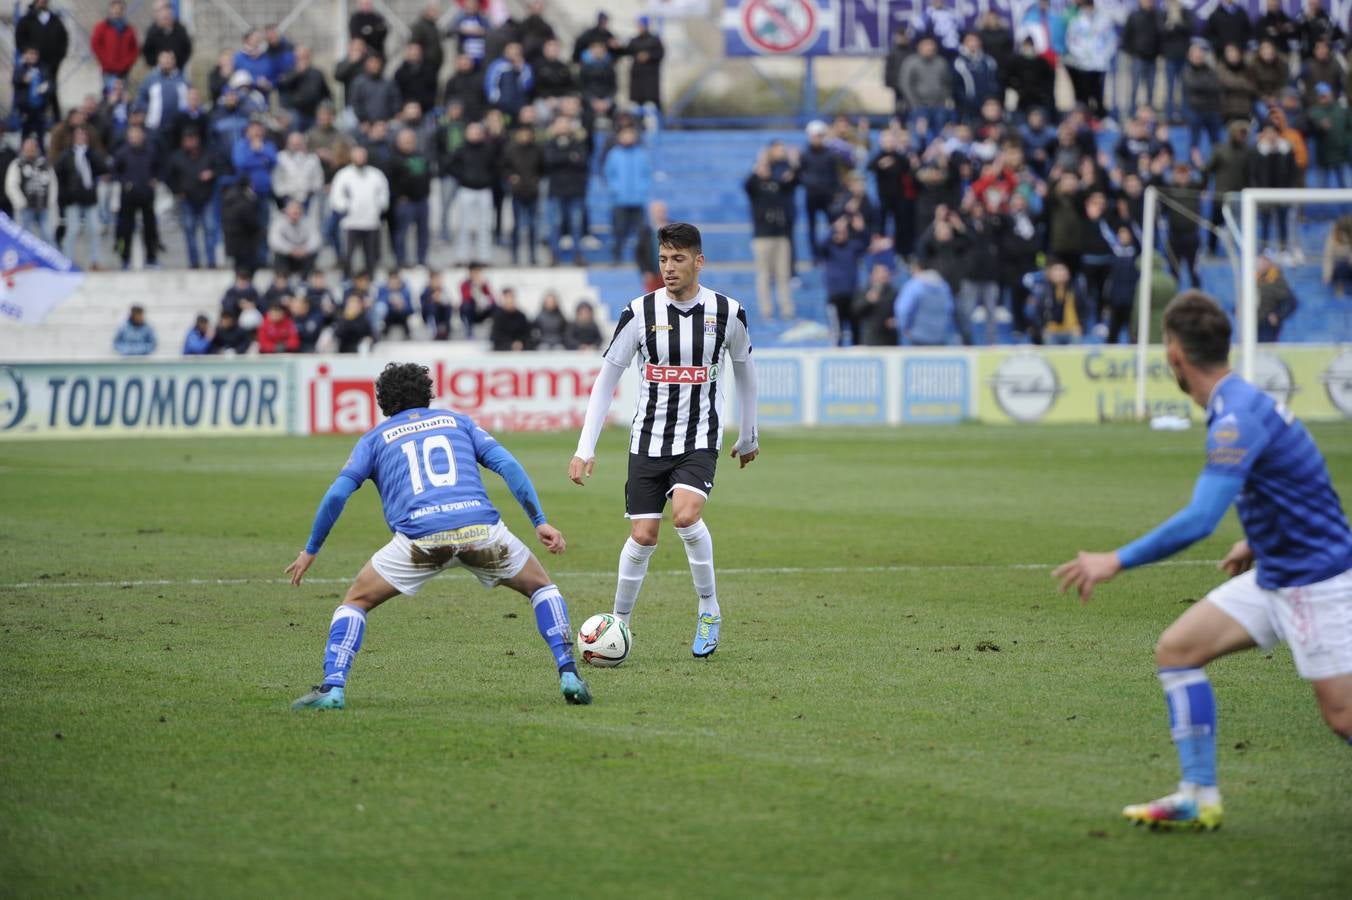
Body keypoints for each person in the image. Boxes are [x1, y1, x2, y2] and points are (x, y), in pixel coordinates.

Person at [1053, 290, 1352, 832]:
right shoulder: (1242, 401)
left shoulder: (1234, 418)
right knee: (1178, 650)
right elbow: (1300, 484)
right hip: (1278, 570)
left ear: (1175, 356)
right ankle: (1198, 795)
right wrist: (1258, 542)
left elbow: (1199, 520)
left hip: (1314, 581)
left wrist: (1113, 561)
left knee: (1342, 716)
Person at [285, 362, 593, 709]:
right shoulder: (458, 422)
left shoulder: (373, 439)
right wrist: (539, 520)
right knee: (541, 588)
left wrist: (311, 549)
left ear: (383, 401)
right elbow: (507, 464)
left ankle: (333, 688)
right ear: (427, 395)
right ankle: (569, 673)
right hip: (481, 530)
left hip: (421, 540)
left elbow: (338, 495)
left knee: (356, 602)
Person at [568, 223, 759, 658]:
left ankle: (709, 609)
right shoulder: (639, 312)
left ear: (698, 261)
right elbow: (606, 380)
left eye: (677, 259)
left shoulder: (729, 312)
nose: (668, 268)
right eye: (662, 259)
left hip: (699, 437)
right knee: (644, 534)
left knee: (686, 517)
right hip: (648, 440)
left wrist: (749, 434)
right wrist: (585, 446)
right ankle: (621, 622)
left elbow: (746, 373)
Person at [745, 153, 795, 321]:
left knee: (783, 274)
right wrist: (756, 168)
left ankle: (786, 309)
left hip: (781, 235)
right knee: (764, 274)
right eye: (762, 167)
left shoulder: (776, 184)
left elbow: (792, 182)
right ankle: (766, 310)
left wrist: (793, 163)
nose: (765, 170)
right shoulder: (755, 185)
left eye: (766, 167)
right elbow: (747, 184)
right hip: (763, 237)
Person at [330, 145, 389, 278]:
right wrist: (346, 207)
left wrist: (378, 208)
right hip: (351, 222)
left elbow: (383, 194)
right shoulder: (343, 175)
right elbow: (336, 196)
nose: (360, 158)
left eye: (362, 155)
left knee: (371, 254)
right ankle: (347, 279)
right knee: (349, 254)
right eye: (357, 155)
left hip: (371, 222)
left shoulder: (376, 174)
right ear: (352, 157)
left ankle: (370, 278)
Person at [165, 130, 220, 270]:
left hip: (206, 198)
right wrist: (177, 191)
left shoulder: (208, 154)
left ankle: (211, 262)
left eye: (193, 138)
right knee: (189, 231)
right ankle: (194, 262)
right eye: (188, 139)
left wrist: (212, 174)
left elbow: (221, 169)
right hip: (187, 200)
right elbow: (168, 177)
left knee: (209, 229)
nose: (191, 142)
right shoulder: (177, 157)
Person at [55, 126, 105, 268]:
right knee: (72, 230)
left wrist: (89, 153)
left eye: (84, 136)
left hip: (90, 198)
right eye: (79, 135)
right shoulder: (66, 155)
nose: (81, 138)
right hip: (73, 199)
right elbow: (59, 176)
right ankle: (67, 261)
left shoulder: (91, 154)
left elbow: (103, 168)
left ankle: (95, 260)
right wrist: (64, 196)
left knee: (95, 229)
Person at [603, 126, 651, 266]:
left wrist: (643, 190)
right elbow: (609, 174)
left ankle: (641, 260)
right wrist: (615, 189)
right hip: (620, 200)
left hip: (638, 200)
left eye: (630, 134)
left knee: (640, 232)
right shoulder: (614, 154)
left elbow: (647, 174)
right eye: (625, 135)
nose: (628, 138)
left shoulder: (642, 154)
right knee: (619, 230)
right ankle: (617, 258)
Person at [112, 124, 158, 269]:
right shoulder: (122, 153)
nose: (135, 138)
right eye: (132, 135)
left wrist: (155, 180)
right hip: (128, 197)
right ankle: (125, 259)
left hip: (147, 195)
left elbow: (160, 167)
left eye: (137, 135)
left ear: (142, 136)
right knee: (126, 229)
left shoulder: (150, 151)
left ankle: (151, 258)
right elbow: (114, 172)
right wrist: (125, 183)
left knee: (150, 228)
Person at [15, 0, 68, 120]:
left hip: (52, 64)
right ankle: (27, 120)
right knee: (31, 91)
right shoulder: (26, 20)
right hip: (32, 64)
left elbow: (64, 38)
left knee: (51, 90)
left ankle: (56, 119)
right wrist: (29, 56)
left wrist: (60, 56)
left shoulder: (55, 20)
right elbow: (20, 40)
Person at [6, 136, 57, 243]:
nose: (30, 151)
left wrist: (50, 201)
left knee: (48, 236)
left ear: (37, 148)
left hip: (44, 206)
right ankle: (25, 259)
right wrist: (20, 202)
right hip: (25, 207)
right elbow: (11, 185)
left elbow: (53, 183)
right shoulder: (17, 164)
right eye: (28, 148)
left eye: (33, 148)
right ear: (23, 149)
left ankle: (47, 258)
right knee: (24, 238)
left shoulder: (45, 164)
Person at [90, 0, 138, 92]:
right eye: (115, 8)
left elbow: (134, 49)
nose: (117, 11)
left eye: (120, 9)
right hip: (108, 70)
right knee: (109, 96)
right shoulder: (102, 27)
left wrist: (126, 63)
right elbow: (95, 45)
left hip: (124, 71)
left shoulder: (129, 29)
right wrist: (106, 61)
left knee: (123, 97)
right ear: (110, 10)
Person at [269, 199, 321, 278]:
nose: (295, 213)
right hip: (287, 255)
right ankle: (282, 281)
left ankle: (304, 280)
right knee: (278, 254)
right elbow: (274, 241)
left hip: (303, 255)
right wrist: (291, 250)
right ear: (286, 211)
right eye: (293, 210)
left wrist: (305, 249)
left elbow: (316, 240)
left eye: (298, 210)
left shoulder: (308, 222)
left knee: (313, 253)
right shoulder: (278, 222)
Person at [853, 263, 899, 346]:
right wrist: (867, 301)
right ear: (873, 276)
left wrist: (896, 320)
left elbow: (901, 311)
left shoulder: (894, 293)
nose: (884, 275)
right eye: (881, 273)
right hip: (871, 339)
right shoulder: (865, 291)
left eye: (885, 272)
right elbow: (856, 311)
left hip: (889, 339)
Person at [626, 16, 664, 111]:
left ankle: (660, 123)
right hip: (637, 79)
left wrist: (649, 56)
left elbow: (660, 53)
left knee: (654, 105)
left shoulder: (655, 40)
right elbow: (627, 51)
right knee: (638, 105)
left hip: (650, 80)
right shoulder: (634, 40)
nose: (640, 27)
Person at [1256, 255, 1298, 342]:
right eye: (1259, 261)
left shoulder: (1276, 279)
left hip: (1267, 324)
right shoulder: (1253, 278)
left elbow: (1290, 301)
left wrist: (1278, 315)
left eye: (1263, 261)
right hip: (1252, 322)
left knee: (1265, 349)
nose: (1260, 264)